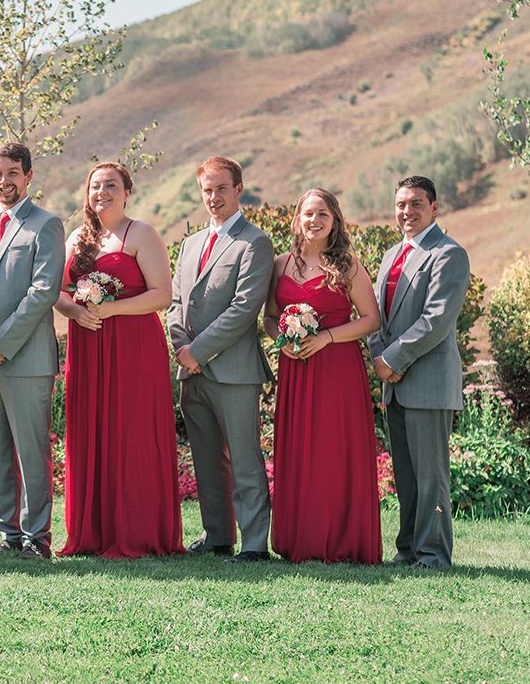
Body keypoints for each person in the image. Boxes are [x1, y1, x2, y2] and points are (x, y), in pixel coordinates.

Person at [54, 162, 183, 558]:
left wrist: (110, 310)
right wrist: (76, 312)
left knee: (134, 432)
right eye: (95, 186)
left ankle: (139, 530)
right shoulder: (77, 238)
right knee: (92, 429)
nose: (102, 192)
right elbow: (56, 292)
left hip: (134, 349)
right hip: (88, 346)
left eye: (111, 185)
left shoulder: (141, 233)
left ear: (127, 192)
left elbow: (162, 295)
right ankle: (91, 531)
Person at [264, 188, 382, 565]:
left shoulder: (347, 265)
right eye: (308, 214)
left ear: (334, 221)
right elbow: (268, 317)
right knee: (300, 449)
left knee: (334, 450)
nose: (314, 221)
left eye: (323, 215)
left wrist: (326, 337)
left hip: (337, 370)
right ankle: (302, 538)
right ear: (297, 218)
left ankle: (341, 540)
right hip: (296, 368)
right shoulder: (279, 265)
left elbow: (370, 319)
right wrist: (282, 339)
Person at [167, 155, 274, 563]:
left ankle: (253, 544)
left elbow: (245, 308)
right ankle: (216, 536)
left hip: (233, 371)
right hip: (191, 370)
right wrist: (180, 346)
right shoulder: (191, 243)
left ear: (238, 190)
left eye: (221, 189)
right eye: (207, 190)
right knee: (206, 458)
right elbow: (176, 302)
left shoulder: (254, 242)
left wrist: (198, 351)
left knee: (245, 459)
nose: (213, 197)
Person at [0, 143, 66, 560]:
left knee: (31, 451)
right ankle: (7, 534)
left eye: (12, 173)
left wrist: (1, 347)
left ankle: (36, 538)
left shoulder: (46, 225)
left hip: (24, 358)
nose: (4, 181)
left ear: (28, 176)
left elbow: (43, 293)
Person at [368, 176, 470, 570]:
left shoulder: (448, 253)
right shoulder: (391, 255)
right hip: (393, 382)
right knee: (406, 476)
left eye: (415, 204)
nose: (406, 212)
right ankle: (408, 549)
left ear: (434, 208)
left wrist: (391, 359)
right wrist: (380, 357)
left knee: (431, 476)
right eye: (401, 204)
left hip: (427, 381)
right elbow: (378, 318)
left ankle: (433, 554)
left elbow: (437, 320)